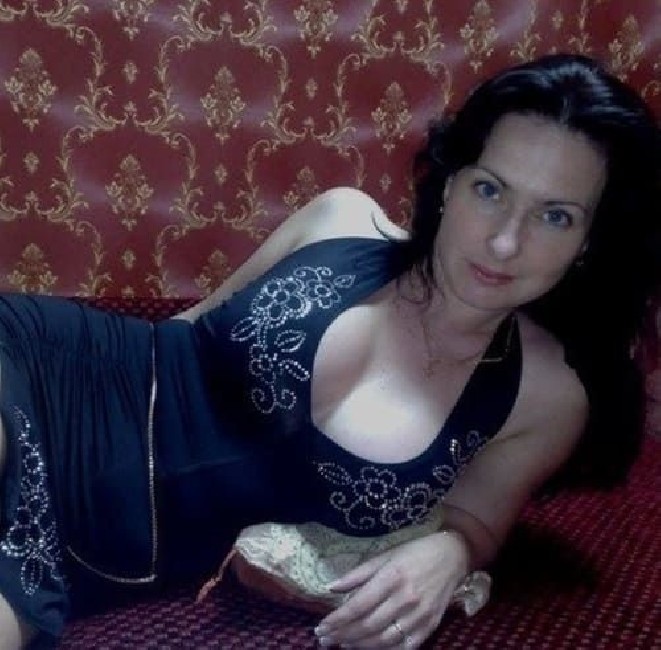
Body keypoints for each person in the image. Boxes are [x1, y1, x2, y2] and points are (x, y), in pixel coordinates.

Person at [0, 53, 658, 649]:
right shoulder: (339, 218)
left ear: (588, 243)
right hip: (46, 377)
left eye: (554, 216)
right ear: (450, 182)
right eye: (489, 190)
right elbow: (180, 332)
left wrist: (451, 553)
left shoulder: (546, 396)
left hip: (100, 560)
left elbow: (477, 522)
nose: (504, 242)